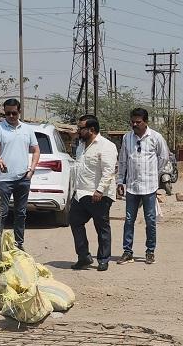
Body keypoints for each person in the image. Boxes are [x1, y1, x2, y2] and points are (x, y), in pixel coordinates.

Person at [117, 108, 169, 265]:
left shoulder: (156, 137)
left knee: (150, 220)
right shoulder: (127, 138)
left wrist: (154, 174)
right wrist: (120, 181)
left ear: (146, 122)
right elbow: (123, 160)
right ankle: (127, 252)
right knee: (128, 220)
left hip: (149, 187)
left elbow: (163, 157)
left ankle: (150, 251)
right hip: (132, 186)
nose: (134, 124)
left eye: (138, 122)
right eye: (132, 121)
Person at [0, 98, 40, 251]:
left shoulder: (27, 129)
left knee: (21, 213)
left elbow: (36, 150)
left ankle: (19, 244)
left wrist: (31, 170)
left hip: (23, 178)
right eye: (7, 113)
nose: (11, 116)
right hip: (4, 179)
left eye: (14, 113)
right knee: (1, 213)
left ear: (19, 112)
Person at [69, 115, 118, 272]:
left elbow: (109, 171)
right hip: (81, 193)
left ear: (91, 129)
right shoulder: (81, 146)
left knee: (101, 227)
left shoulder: (106, 146)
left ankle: (103, 259)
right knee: (75, 221)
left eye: (81, 128)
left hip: (99, 195)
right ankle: (84, 257)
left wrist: (100, 190)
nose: (78, 131)